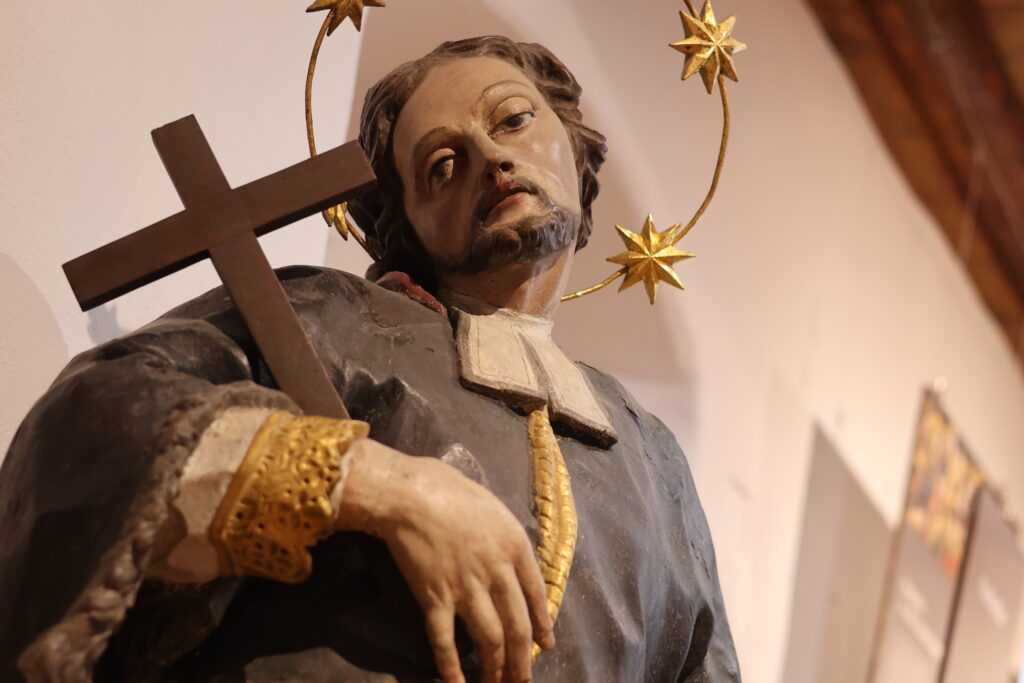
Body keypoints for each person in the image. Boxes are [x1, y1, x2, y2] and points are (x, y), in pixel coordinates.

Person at [0, 36, 740, 682]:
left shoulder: (654, 455)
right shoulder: (334, 319)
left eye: (513, 119)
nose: (491, 158)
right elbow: (89, 423)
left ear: (576, 149)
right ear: (407, 223)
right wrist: (383, 487)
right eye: (443, 165)